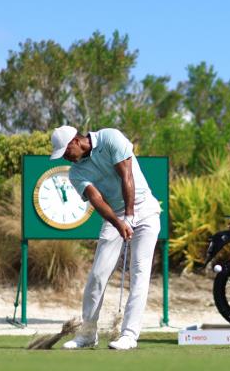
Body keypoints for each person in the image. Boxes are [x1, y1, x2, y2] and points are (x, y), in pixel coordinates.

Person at [49, 125, 161, 350]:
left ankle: (129, 335)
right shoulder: (75, 172)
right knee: (98, 274)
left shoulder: (110, 137)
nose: (67, 158)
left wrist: (130, 215)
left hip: (145, 209)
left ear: (75, 142)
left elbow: (126, 175)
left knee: (139, 271)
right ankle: (88, 333)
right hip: (115, 215)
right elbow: (97, 199)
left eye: (66, 152)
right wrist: (120, 223)